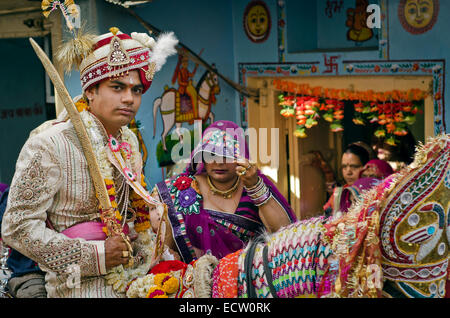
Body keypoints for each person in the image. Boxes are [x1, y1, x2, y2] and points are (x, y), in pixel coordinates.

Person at [1, 27, 178, 297]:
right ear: (91, 91)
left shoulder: (128, 141)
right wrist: (97, 255)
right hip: (76, 288)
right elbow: (17, 228)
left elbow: (132, 215)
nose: (130, 98)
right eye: (117, 87)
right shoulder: (49, 144)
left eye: (137, 89)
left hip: (135, 281)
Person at [150, 120, 297, 263]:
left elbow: (284, 233)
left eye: (227, 155)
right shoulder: (182, 188)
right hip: (196, 282)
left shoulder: (255, 183)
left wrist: (255, 187)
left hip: (248, 281)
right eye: (211, 154)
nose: (219, 162)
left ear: (241, 157)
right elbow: (165, 250)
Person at [323, 143, 370, 216]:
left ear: (366, 168)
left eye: (354, 166)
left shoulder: (374, 193)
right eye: (344, 167)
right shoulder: (339, 194)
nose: (348, 172)